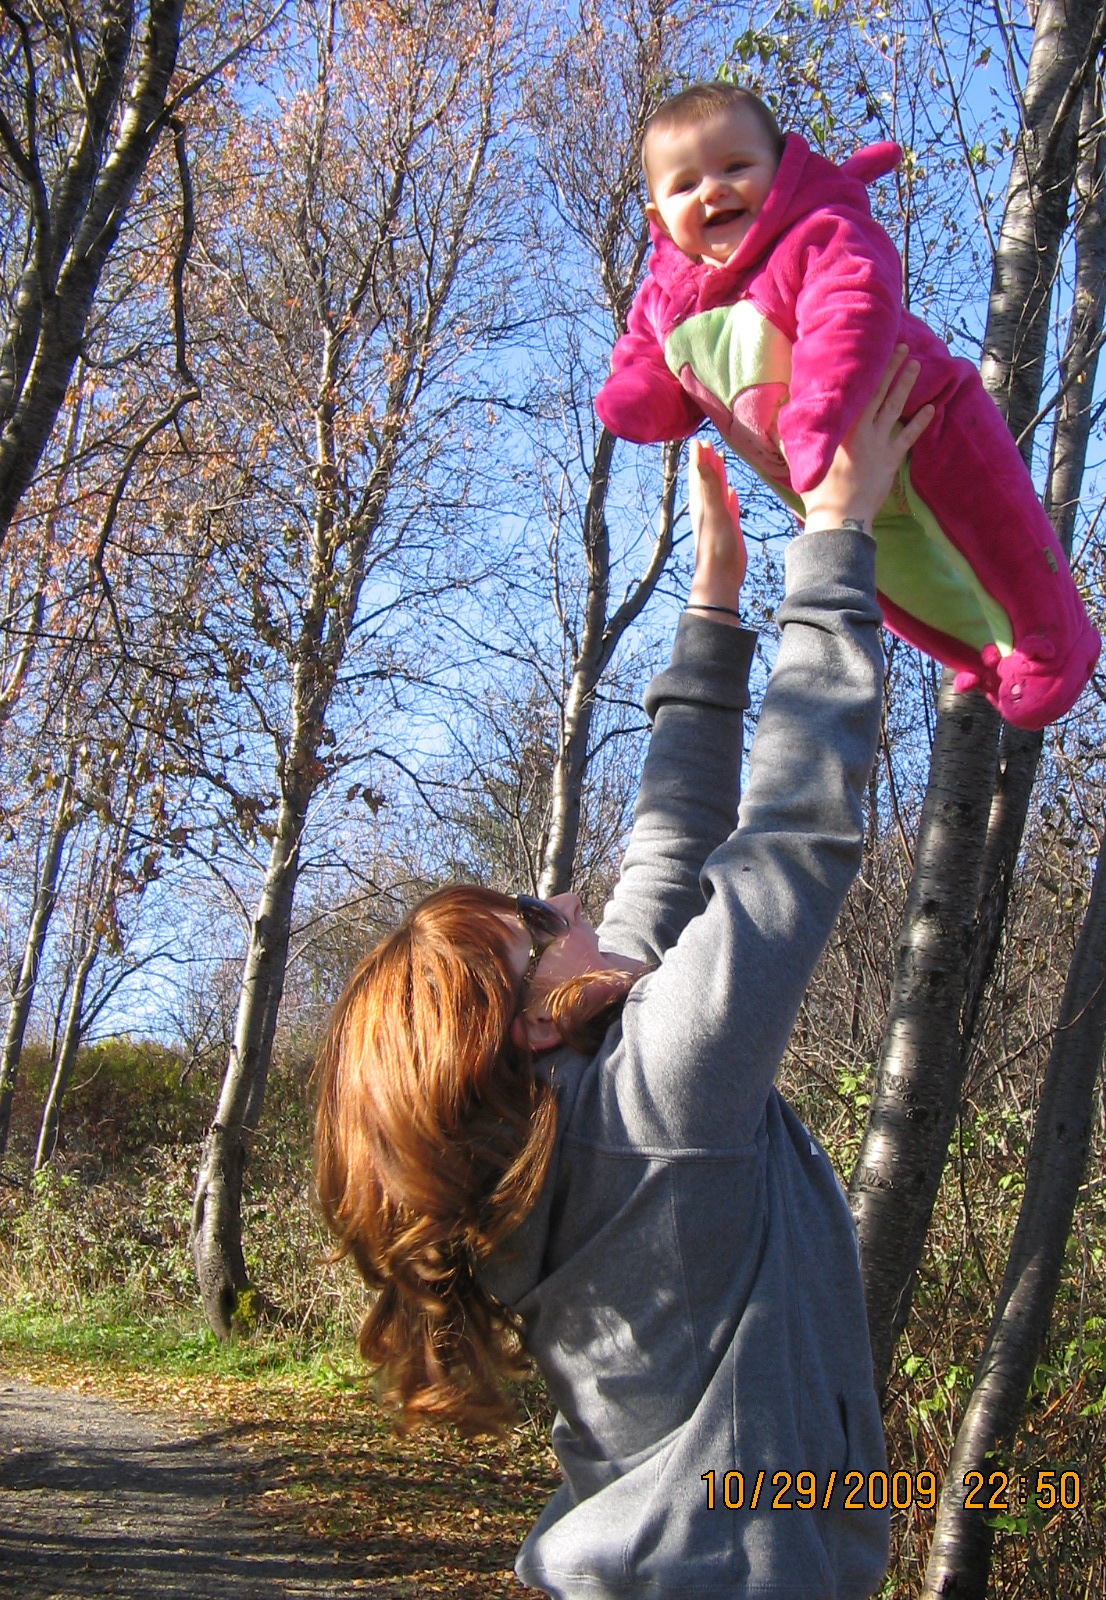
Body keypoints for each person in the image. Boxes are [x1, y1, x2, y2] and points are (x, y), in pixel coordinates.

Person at [314, 347, 934, 1598]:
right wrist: (837, 540)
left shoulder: (594, 1110)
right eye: (535, 929)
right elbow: (791, 844)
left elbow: (670, 848)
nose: (564, 899)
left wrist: (714, 609)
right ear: (540, 1021)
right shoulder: (657, 1110)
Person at [595, 81, 1101, 731]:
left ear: (781, 170)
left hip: (922, 420)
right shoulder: (667, 299)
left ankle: (1053, 641)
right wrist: (640, 396)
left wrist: (817, 411)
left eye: (736, 167)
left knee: (995, 536)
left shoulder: (816, 234)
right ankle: (987, 653)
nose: (712, 190)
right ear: (660, 220)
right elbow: (645, 357)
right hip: (829, 481)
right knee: (899, 586)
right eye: (685, 183)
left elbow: (849, 309)